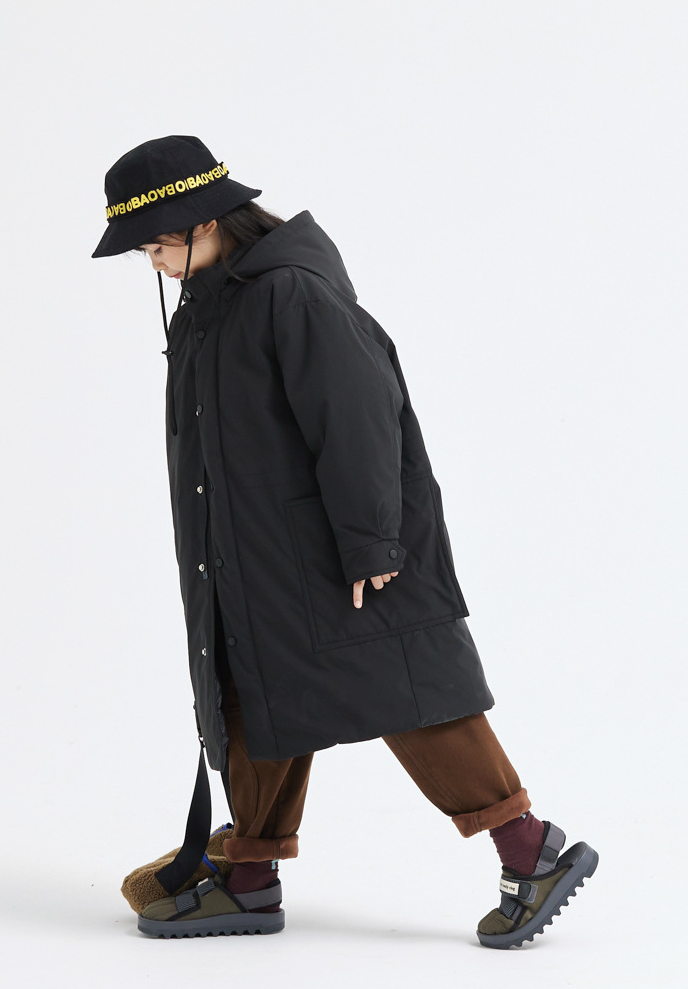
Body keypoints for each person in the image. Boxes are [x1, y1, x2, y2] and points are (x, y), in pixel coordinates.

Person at [92, 135, 598, 947]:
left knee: (407, 688)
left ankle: (529, 848)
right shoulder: (209, 303)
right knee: (251, 696)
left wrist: (371, 542)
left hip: (334, 551)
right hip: (252, 555)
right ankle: (249, 878)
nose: (153, 263)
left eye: (157, 244)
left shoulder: (289, 292)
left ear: (206, 220)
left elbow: (359, 414)